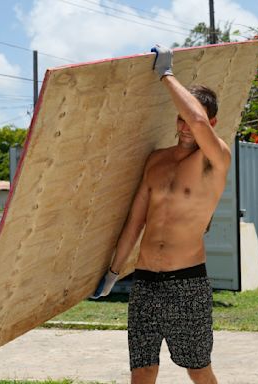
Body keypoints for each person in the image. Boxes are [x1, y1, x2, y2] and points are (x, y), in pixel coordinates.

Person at [91, 44, 230, 384]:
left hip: (187, 283)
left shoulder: (215, 159)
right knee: (142, 368)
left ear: (211, 124)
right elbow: (135, 222)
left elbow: (197, 120)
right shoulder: (156, 160)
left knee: (197, 368)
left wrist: (166, 73)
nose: (185, 126)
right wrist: (112, 273)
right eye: (180, 119)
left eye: (192, 121)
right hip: (145, 282)